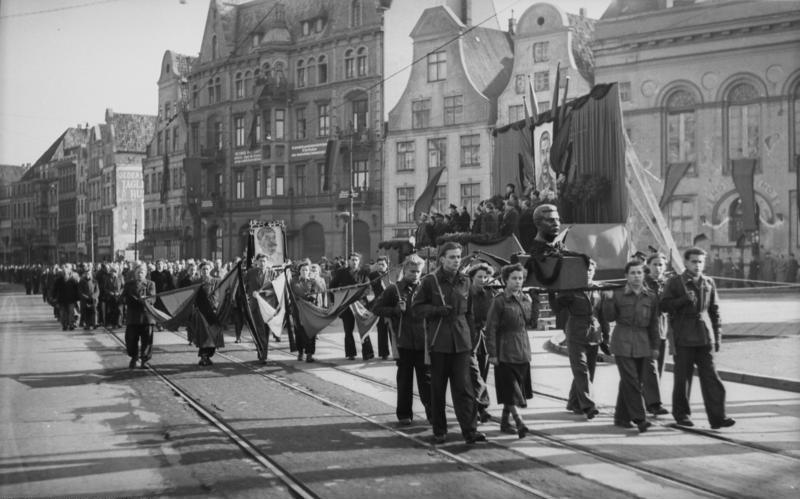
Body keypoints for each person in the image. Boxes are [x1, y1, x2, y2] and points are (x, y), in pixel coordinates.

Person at [411, 242, 485, 445]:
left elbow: (469, 313)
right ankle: (439, 430)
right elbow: (416, 309)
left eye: (458, 256)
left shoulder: (466, 281)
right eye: (451, 257)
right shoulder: (430, 281)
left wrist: (471, 341)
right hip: (439, 341)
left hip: (461, 342)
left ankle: (470, 431)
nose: (456, 260)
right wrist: (435, 311)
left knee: (464, 388)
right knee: (438, 388)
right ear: (441, 259)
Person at [660, 248, 735, 430]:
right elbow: (663, 305)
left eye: (701, 262)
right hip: (683, 336)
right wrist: (682, 301)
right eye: (694, 261)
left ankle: (718, 417)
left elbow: (715, 311)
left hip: (704, 336)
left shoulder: (708, 283)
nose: (698, 265)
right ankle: (682, 415)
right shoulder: (675, 283)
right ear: (685, 263)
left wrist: (717, 337)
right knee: (682, 379)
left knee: (711, 377)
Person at [373, 254, 431, 426]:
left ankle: (432, 413)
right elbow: (377, 308)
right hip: (403, 342)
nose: (415, 275)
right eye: (412, 271)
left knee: (427, 381)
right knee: (405, 380)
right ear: (404, 270)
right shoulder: (393, 289)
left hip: (424, 343)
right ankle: (404, 414)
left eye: (418, 271)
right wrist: (396, 310)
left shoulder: (426, 288)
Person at [602, 260, 660, 433]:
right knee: (632, 382)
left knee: (633, 382)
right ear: (626, 276)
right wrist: (609, 300)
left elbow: (654, 324)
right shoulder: (618, 294)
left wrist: (655, 346)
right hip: (623, 342)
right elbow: (610, 317)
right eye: (632, 273)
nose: (636, 276)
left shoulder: (651, 296)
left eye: (639, 273)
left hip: (643, 343)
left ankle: (621, 417)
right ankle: (640, 419)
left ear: (644, 275)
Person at [485, 263, 538, 438]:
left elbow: (531, 322)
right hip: (504, 351)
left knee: (514, 390)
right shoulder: (499, 301)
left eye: (520, 278)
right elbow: (491, 328)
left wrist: (534, 302)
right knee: (510, 389)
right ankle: (519, 422)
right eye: (514, 278)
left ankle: (504, 422)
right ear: (505, 280)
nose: (517, 282)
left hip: (522, 349)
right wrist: (492, 353)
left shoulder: (525, 299)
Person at [556, 258, 608, 420]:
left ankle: (574, 402)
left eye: (591, 270)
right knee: (581, 369)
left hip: (594, 333)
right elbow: (556, 308)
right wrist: (558, 296)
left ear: (594, 272)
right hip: (576, 332)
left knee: (589, 371)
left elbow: (603, 315)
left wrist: (606, 337)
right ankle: (588, 406)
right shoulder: (571, 289)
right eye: (585, 270)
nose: (588, 273)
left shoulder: (598, 290)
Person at [330, 252, 375, 361]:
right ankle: (351, 353)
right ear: (348, 261)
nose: (354, 262)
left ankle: (367, 353)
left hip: (360, 305)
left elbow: (368, 288)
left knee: (364, 328)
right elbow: (332, 287)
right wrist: (336, 301)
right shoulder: (341, 273)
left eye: (356, 260)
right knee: (348, 330)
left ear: (359, 261)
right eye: (352, 260)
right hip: (346, 305)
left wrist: (358, 296)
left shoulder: (363, 273)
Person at [468, 262, 497, 424]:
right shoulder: (466, 293)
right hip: (469, 339)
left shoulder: (490, 294)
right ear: (472, 277)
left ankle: (479, 409)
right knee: (473, 376)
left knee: (482, 375)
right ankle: (480, 408)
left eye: (486, 277)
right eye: (479, 276)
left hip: (484, 340)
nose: (483, 279)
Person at [642, 253, 670, 416]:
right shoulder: (643, 283)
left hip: (662, 330)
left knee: (658, 368)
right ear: (648, 265)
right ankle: (653, 404)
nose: (658, 268)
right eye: (655, 264)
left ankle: (648, 400)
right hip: (645, 331)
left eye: (661, 265)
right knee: (650, 368)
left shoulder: (667, 284)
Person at [121, 264, 156, 369]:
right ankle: (134, 357)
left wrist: (146, 300)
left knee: (147, 340)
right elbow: (122, 297)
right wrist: (124, 299)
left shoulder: (150, 284)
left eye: (142, 272)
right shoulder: (128, 285)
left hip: (147, 317)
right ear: (134, 273)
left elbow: (153, 298)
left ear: (145, 273)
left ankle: (144, 360)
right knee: (131, 340)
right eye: (138, 272)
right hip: (133, 316)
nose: (140, 274)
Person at [245, 253, 276, 359]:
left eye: (264, 261)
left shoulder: (272, 273)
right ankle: (263, 354)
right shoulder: (251, 273)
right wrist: (250, 294)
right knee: (259, 329)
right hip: (255, 305)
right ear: (257, 262)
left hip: (268, 305)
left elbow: (275, 289)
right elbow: (244, 285)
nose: (262, 263)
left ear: (267, 262)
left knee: (266, 330)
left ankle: (262, 352)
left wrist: (265, 292)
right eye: (261, 261)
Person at [291, 261, 323, 362]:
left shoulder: (312, 281)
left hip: (309, 310)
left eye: (307, 270)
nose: (305, 272)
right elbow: (292, 293)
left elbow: (318, 291)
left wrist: (312, 296)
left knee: (311, 331)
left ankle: (309, 354)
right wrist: (302, 298)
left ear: (309, 271)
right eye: (303, 270)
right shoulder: (294, 281)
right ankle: (300, 352)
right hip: (297, 310)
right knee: (299, 331)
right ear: (299, 271)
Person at [194, 261, 222, 366]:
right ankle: (203, 356)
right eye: (203, 269)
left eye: (207, 269)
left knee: (213, 334)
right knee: (203, 335)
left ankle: (208, 355)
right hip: (201, 312)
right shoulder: (196, 282)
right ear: (200, 271)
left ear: (210, 269)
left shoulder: (216, 281)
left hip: (213, 311)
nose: (205, 271)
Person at [369, 256, 392, 360]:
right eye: (378, 264)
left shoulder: (391, 274)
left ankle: (396, 353)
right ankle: (384, 353)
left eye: (383, 264)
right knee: (382, 330)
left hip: (392, 305)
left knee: (393, 330)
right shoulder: (373, 275)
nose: (380, 266)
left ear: (387, 265)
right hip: (380, 306)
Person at [53, 263, 80, 331]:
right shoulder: (59, 280)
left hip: (71, 299)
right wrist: (54, 297)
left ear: (68, 272)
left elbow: (76, 289)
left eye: (66, 272)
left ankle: (71, 324)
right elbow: (55, 289)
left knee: (71, 312)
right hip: (62, 299)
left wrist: (77, 298)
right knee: (63, 313)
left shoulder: (72, 280)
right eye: (64, 272)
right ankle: (64, 325)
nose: (65, 274)